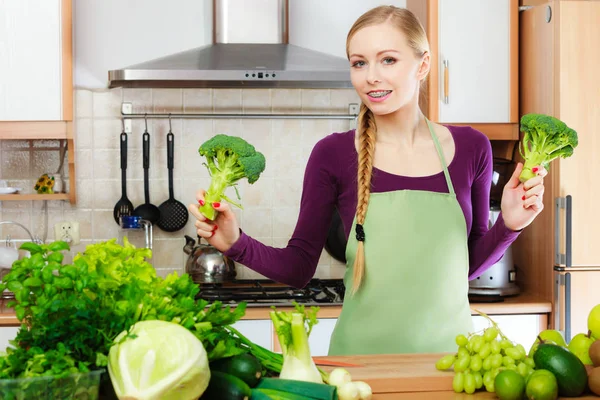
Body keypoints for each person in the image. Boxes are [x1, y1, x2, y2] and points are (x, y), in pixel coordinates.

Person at [188, 5, 547, 356]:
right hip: (359, 365)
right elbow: (298, 268)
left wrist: (511, 224)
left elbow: (464, 267)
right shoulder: (333, 154)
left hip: (450, 365)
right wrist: (235, 242)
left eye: (387, 59)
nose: (370, 76)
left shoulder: (472, 148)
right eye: (359, 63)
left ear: (423, 65)